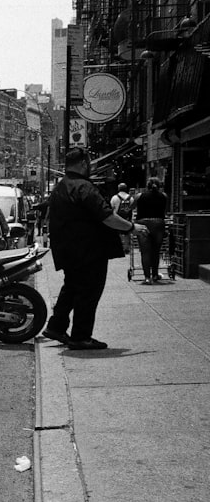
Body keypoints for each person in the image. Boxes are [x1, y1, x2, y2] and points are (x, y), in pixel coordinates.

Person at [42, 148, 148, 350]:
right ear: (83, 163)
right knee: (88, 293)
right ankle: (80, 336)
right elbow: (107, 217)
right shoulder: (85, 188)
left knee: (72, 288)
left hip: (68, 250)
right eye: (89, 163)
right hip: (88, 251)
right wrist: (132, 227)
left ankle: (56, 326)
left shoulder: (60, 187)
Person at [135, 178, 168, 285]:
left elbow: (131, 207)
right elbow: (164, 210)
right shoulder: (164, 196)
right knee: (156, 251)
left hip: (142, 223)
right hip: (158, 224)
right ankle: (155, 274)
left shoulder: (139, 196)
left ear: (147, 186)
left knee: (145, 252)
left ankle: (147, 278)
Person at [109, 183, 135, 255]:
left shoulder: (114, 197)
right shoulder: (131, 198)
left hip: (117, 218)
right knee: (127, 233)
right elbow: (132, 209)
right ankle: (126, 248)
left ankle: (118, 248)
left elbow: (111, 208)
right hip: (128, 218)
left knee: (117, 234)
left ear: (118, 189)